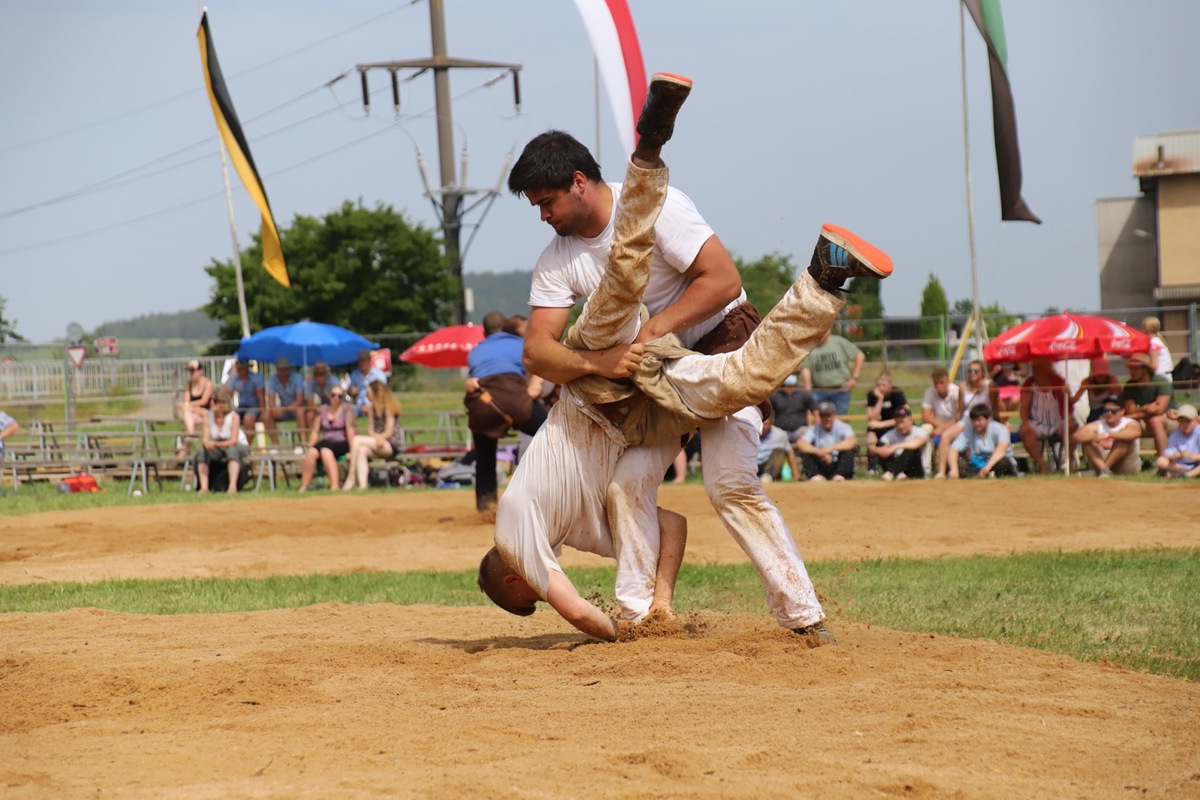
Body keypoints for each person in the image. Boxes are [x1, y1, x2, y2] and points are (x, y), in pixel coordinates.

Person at [485, 73, 892, 641]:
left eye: (546, 202)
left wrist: (657, 329)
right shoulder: (557, 259)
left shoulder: (665, 210)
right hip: (647, 373)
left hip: (715, 336)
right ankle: (639, 619)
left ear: (579, 183)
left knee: (730, 485)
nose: (543, 215)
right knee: (625, 480)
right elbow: (537, 350)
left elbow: (724, 281)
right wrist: (604, 362)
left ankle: (805, 618)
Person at [463, 310, 548, 511]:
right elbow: (538, 366)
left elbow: (473, 379)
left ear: (484, 333)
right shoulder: (520, 344)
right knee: (551, 437)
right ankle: (546, 496)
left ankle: (486, 507)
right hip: (515, 400)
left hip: (484, 403)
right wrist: (534, 386)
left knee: (485, 457)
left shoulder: (475, 351)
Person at [342, 379, 405, 491]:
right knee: (361, 450)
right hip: (377, 442)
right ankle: (362, 485)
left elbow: (389, 432)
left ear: (376, 393)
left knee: (356, 440)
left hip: (391, 444)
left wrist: (381, 438)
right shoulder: (371, 408)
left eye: (368, 392)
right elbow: (370, 430)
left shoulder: (389, 407)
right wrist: (377, 438)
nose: (366, 395)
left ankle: (351, 477)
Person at [1018, 357, 1076, 474]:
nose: (1036, 371)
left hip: (1057, 421)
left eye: (1039, 368)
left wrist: (1067, 394)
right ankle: (1042, 465)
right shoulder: (1029, 384)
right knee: (1025, 432)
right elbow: (1023, 407)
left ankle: (1070, 461)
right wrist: (1025, 423)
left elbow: (1069, 405)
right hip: (1037, 422)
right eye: (1035, 368)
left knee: (1071, 427)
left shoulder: (1059, 382)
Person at [936, 360, 991, 478]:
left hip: (984, 419)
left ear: (982, 373)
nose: (972, 373)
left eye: (976, 371)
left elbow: (996, 409)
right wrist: (946, 426)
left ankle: (988, 469)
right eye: (970, 371)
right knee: (946, 435)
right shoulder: (963, 387)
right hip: (967, 419)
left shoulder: (989, 386)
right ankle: (941, 471)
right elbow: (960, 411)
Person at [297, 384, 356, 492]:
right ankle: (304, 486)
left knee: (325, 452)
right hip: (326, 441)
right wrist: (311, 445)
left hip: (341, 442)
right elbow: (315, 431)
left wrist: (352, 451)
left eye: (340, 396)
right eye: (333, 395)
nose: (336, 398)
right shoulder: (322, 410)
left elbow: (350, 432)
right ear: (329, 396)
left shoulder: (347, 410)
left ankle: (334, 485)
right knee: (311, 453)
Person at [1122, 350, 1176, 460]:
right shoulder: (1129, 385)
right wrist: (1145, 408)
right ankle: (1125, 462)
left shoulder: (1161, 382)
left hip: (1171, 419)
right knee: (1123, 423)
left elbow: (1159, 410)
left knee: (1156, 420)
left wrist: (1134, 414)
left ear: (1146, 368)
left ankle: (1163, 461)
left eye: (1136, 368)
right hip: (1145, 420)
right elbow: (1129, 409)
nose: (1132, 371)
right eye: (1131, 368)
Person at [196, 387, 249, 494]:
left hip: (238, 445)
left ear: (223, 403)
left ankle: (232, 487)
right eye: (211, 400)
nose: (212, 403)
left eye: (215, 401)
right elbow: (205, 437)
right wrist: (207, 443)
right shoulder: (208, 416)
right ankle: (204, 488)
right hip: (219, 445)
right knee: (202, 451)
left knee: (231, 449)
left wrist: (215, 444)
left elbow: (233, 440)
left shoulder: (233, 417)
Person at [1074, 394, 1142, 477]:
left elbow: (1135, 433)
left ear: (1122, 411)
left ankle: (1102, 470)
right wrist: (1095, 438)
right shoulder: (1098, 424)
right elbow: (1077, 436)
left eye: (1113, 411)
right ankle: (1104, 470)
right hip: (1102, 459)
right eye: (1106, 410)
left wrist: (1107, 435)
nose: (1109, 413)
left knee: (1124, 440)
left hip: (1125, 464)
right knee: (1086, 441)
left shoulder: (1130, 423)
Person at [800, 330, 864, 415]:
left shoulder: (839, 342)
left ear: (829, 329)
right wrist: (807, 394)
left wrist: (854, 378)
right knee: (817, 419)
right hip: (818, 390)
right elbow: (806, 370)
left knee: (840, 420)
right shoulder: (810, 346)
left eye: (825, 328)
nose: (822, 332)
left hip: (841, 390)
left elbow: (859, 355)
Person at [947, 404, 1018, 479]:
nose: (976, 423)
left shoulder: (1001, 429)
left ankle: (990, 475)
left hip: (997, 463)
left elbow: (1001, 450)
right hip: (977, 466)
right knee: (958, 461)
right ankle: (977, 476)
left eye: (979, 420)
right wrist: (953, 469)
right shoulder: (968, 430)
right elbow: (953, 449)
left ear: (988, 419)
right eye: (974, 420)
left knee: (1003, 462)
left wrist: (987, 468)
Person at [795, 401, 858, 481]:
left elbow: (852, 441)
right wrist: (819, 452)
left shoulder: (843, 427)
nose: (826, 418)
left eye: (828, 415)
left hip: (837, 462)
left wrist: (830, 449)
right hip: (821, 462)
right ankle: (817, 477)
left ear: (834, 415)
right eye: (822, 416)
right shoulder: (815, 428)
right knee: (806, 453)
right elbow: (801, 443)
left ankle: (839, 476)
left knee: (848, 452)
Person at [864, 371, 907, 473]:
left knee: (876, 426)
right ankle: (872, 467)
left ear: (890, 385)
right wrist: (880, 399)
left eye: (884, 385)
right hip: (881, 425)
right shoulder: (872, 394)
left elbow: (904, 417)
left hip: (896, 424)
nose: (881, 388)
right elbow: (872, 417)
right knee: (870, 429)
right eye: (879, 385)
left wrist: (881, 424)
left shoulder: (897, 393)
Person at [870, 406, 928, 481]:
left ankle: (891, 472)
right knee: (881, 446)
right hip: (899, 465)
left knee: (911, 450)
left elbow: (917, 443)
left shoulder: (920, 432)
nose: (900, 426)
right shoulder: (892, 433)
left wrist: (894, 447)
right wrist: (879, 450)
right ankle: (899, 473)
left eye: (902, 422)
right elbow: (873, 447)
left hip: (916, 469)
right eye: (897, 423)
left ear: (910, 420)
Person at [921, 367, 959, 476]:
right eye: (936, 383)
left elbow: (959, 416)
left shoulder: (956, 392)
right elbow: (926, 416)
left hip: (955, 425)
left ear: (948, 381)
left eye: (941, 382)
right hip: (937, 424)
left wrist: (943, 428)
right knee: (924, 430)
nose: (938, 386)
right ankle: (926, 470)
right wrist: (940, 427)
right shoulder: (929, 391)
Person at [263, 356, 306, 447]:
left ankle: (302, 443)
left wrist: (283, 409)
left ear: (289, 368)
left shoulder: (297, 378)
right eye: (281, 369)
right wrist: (274, 408)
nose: (283, 371)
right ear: (277, 369)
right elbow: (270, 400)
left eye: (285, 369)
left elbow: (300, 400)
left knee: (300, 411)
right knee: (266, 414)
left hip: (296, 408)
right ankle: (276, 445)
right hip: (284, 408)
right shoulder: (272, 380)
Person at [177, 358, 214, 455]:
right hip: (194, 414)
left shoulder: (207, 383)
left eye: (193, 371)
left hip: (205, 414)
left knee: (187, 411)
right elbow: (186, 400)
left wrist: (189, 405)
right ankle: (190, 434)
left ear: (200, 371)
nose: (191, 373)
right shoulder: (188, 384)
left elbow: (204, 401)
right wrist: (190, 406)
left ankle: (183, 451)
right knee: (188, 413)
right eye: (190, 371)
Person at [771, 373, 817, 445]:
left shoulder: (804, 394)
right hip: (780, 431)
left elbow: (816, 413)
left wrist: (818, 429)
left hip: (800, 431)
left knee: (809, 433)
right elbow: (767, 414)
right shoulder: (775, 395)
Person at [1156, 403, 1200, 478]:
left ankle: (1185, 475)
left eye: (1188, 421)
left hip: (1197, 463)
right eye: (1182, 421)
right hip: (1183, 466)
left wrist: (1192, 456)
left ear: (1196, 420)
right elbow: (1168, 453)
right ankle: (1192, 473)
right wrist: (1173, 456)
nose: (1185, 424)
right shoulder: (1175, 434)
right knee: (1161, 461)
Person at [224, 358, 265, 436]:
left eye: (241, 368)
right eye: (238, 367)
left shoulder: (256, 378)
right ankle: (232, 441)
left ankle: (247, 445)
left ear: (246, 368)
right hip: (241, 406)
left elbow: (261, 398)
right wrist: (227, 411)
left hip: (254, 406)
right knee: (230, 418)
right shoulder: (234, 379)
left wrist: (262, 411)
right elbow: (228, 396)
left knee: (248, 419)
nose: (239, 370)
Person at [756, 408, 797, 482]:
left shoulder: (780, 434)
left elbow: (790, 453)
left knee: (779, 451)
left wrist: (796, 476)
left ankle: (767, 477)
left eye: (765, 424)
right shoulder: (749, 432)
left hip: (769, 465)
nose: (762, 427)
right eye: (760, 423)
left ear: (771, 423)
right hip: (752, 464)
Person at [346, 350, 387, 416]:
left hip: (374, 404)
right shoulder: (354, 374)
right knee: (346, 411)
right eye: (359, 361)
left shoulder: (379, 374)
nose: (360, 363)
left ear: (369, 360)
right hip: (359, 405)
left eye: (363, 361)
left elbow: (382, 393)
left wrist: (371, 405)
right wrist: (351, 391)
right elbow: (349, 392)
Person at [303, 362, 336, 430]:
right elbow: (310, 405)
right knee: (310, 415)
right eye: (318, 375)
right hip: (319, 407)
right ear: (315, 375)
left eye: (322, 374)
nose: (320, 378)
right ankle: (314, 438)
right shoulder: (310, 383)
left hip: (334, 406)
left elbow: (337, 401)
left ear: (327, 374)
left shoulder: (333, 381)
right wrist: (321, 408)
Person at [1142, 316, 1173, 382]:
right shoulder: (1158, 340)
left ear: (1146, 328)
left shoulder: (1153, 343)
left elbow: (1154, 366)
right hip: (1165, 375)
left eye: (1143, 327)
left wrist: (1143, 365)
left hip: (1160, 377)